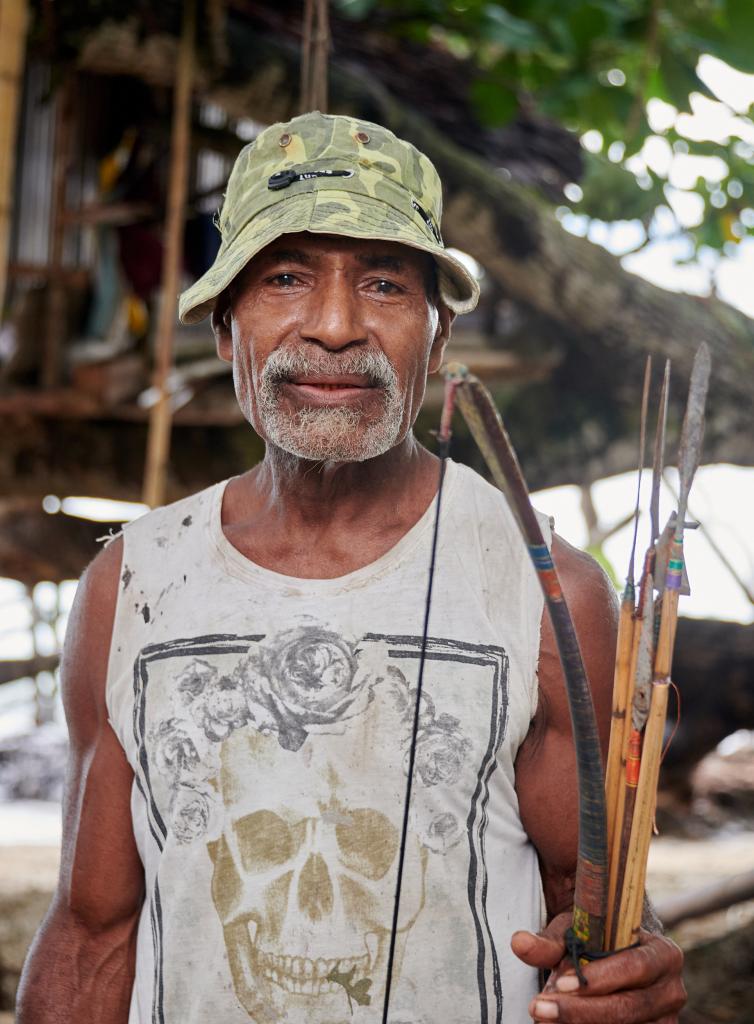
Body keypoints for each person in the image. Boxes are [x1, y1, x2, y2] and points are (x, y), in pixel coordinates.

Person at [17, 112, 685, 1024]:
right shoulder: (133, 582)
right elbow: (93, 932)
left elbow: (598, 918)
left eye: (384, 283)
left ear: (438, 336)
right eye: (286, 278)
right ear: (223, 328)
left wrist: (636, 971)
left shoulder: (544, 590)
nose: (334, 327)